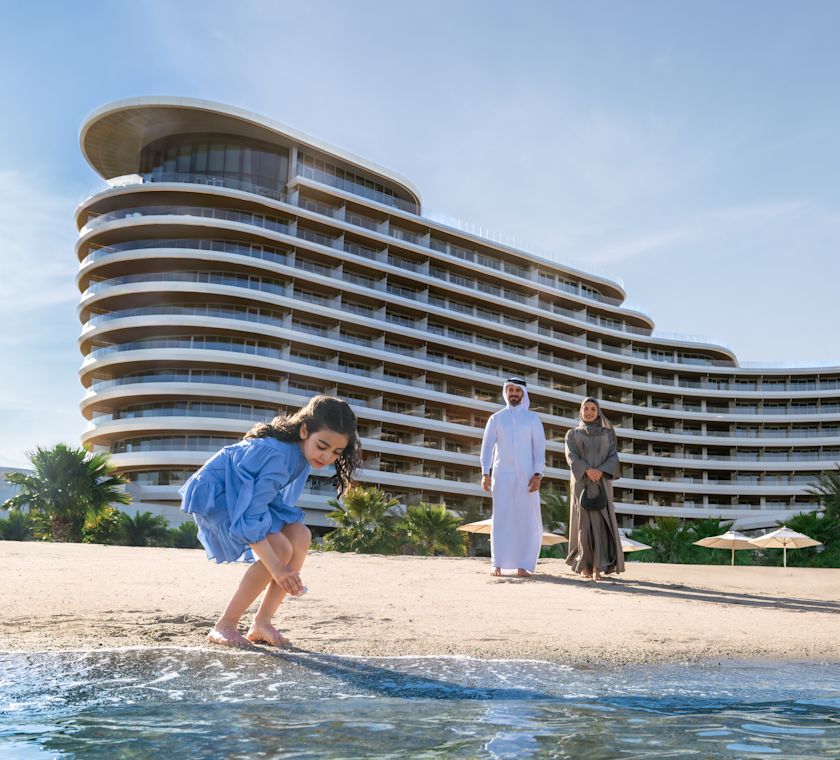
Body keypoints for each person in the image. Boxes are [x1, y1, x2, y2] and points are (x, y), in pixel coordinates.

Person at [180, 395, 361, 648]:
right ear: (304, 430)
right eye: (322, 446)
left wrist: (282, 568)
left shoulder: (301, 454)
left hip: (249, 494)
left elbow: (263, 501)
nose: (328, 457)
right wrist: (278, 568)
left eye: (336, 452)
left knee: (300, 536)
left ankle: (262, 623)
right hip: (220, 494)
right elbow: (251, 517)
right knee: (280, 550)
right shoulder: (277, 456)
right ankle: (225, 625)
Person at [479, 377, 546, 577]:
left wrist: (538, 475)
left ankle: (524, 565)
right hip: (502, 475)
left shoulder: (533, 419)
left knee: (527, 520)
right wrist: (485, 472)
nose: (514, 393)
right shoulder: (496, 418)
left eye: (517, 390)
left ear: (523, 394)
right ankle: (497, 563)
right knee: (501, 519)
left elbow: (539, 450)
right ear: (505, 392)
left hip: (527, 477)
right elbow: (487, 446)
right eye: (510, 390)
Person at [565, 397, 624, 581]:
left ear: (598, 412)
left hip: (602, 483)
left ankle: (599, 567)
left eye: (593, 409)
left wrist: (600, 471)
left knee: (600, 524)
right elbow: (571, 457)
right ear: (580, 411)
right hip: (582, 483)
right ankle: (585, 566)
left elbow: (613, 456)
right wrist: (587, 471)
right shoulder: (572, 434)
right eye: (586, 409)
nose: (589, 412)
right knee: (583, 524)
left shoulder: (607, 433)